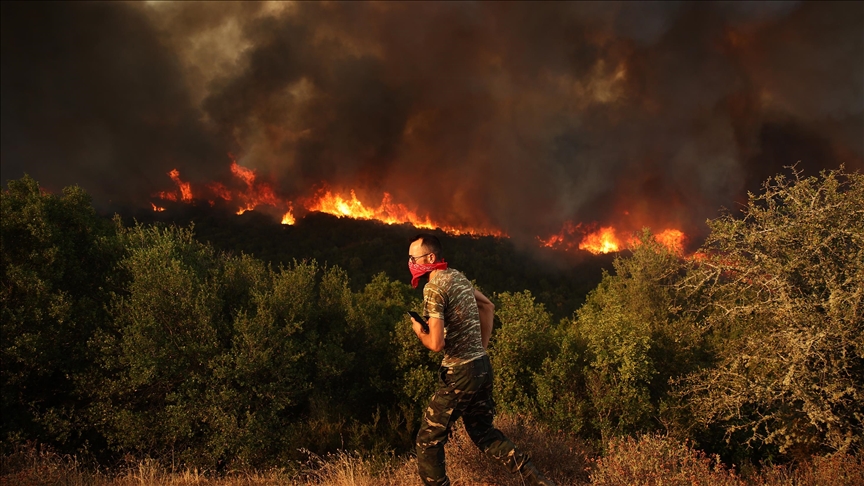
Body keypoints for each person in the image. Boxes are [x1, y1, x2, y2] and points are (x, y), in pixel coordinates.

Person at [407, 234, 555, 486]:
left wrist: (418, 330)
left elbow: (435, 343)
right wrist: (480, 349)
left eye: (413, 257)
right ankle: (540, 482)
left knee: (427, 440)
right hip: (481, 367)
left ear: (430, 258)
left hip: (461, 372)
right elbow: (488, 306)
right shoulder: (458, 277)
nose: (410, 262)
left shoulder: (433, 287)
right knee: (484, 433)